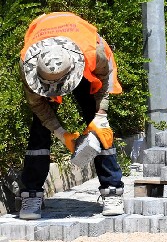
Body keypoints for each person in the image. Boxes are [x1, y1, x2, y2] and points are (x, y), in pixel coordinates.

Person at [18, 12, 125, 219]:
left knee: (99, 128)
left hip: (83, 64)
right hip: (46, 65)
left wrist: (101, 115)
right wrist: (60, 133)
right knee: (39, 130)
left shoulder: (94, 52)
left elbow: (106, 77)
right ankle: (31, 194)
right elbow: (38, 106)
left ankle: (112, 190)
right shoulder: (28, 63)